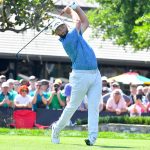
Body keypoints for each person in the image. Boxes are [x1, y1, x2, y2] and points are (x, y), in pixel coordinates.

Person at [50, 2, 102, 146]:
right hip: (81, 75)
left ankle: (92, 138)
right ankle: (56, 128)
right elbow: (78, 21)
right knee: (72, 106)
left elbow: (85, 22)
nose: (61, 29)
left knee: (93, 107)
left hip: (95, 74)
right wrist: (70, 11)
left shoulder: (76, 35)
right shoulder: (68, 41)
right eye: (58, 29)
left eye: (61, 26)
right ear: (57, 34)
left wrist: (76, 7)